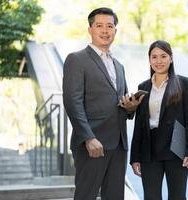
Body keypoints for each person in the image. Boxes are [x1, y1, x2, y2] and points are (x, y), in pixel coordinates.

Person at [63, 7, 142, 200]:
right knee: (86, 195)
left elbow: (122, 102)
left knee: (115, 196)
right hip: (92, 144)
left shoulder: (119, 66)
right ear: (90, 29)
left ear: (115, 30)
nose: (105, 31)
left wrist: (131, 108)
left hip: (119, 144)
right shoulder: (76, 59)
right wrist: (88, 138)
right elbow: (73, 102)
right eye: (99, 26)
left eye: (110, 26)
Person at [130, 40, 188, 200]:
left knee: (177, 196)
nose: (159, 61)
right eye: (154, 57)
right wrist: (135, 157)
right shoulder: (143, 87)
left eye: (163, 56)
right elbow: (139, 125)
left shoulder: (183, 83)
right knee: (151, 197)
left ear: (171, 58)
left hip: (176, 149)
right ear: (149, 60)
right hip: (149, 150)